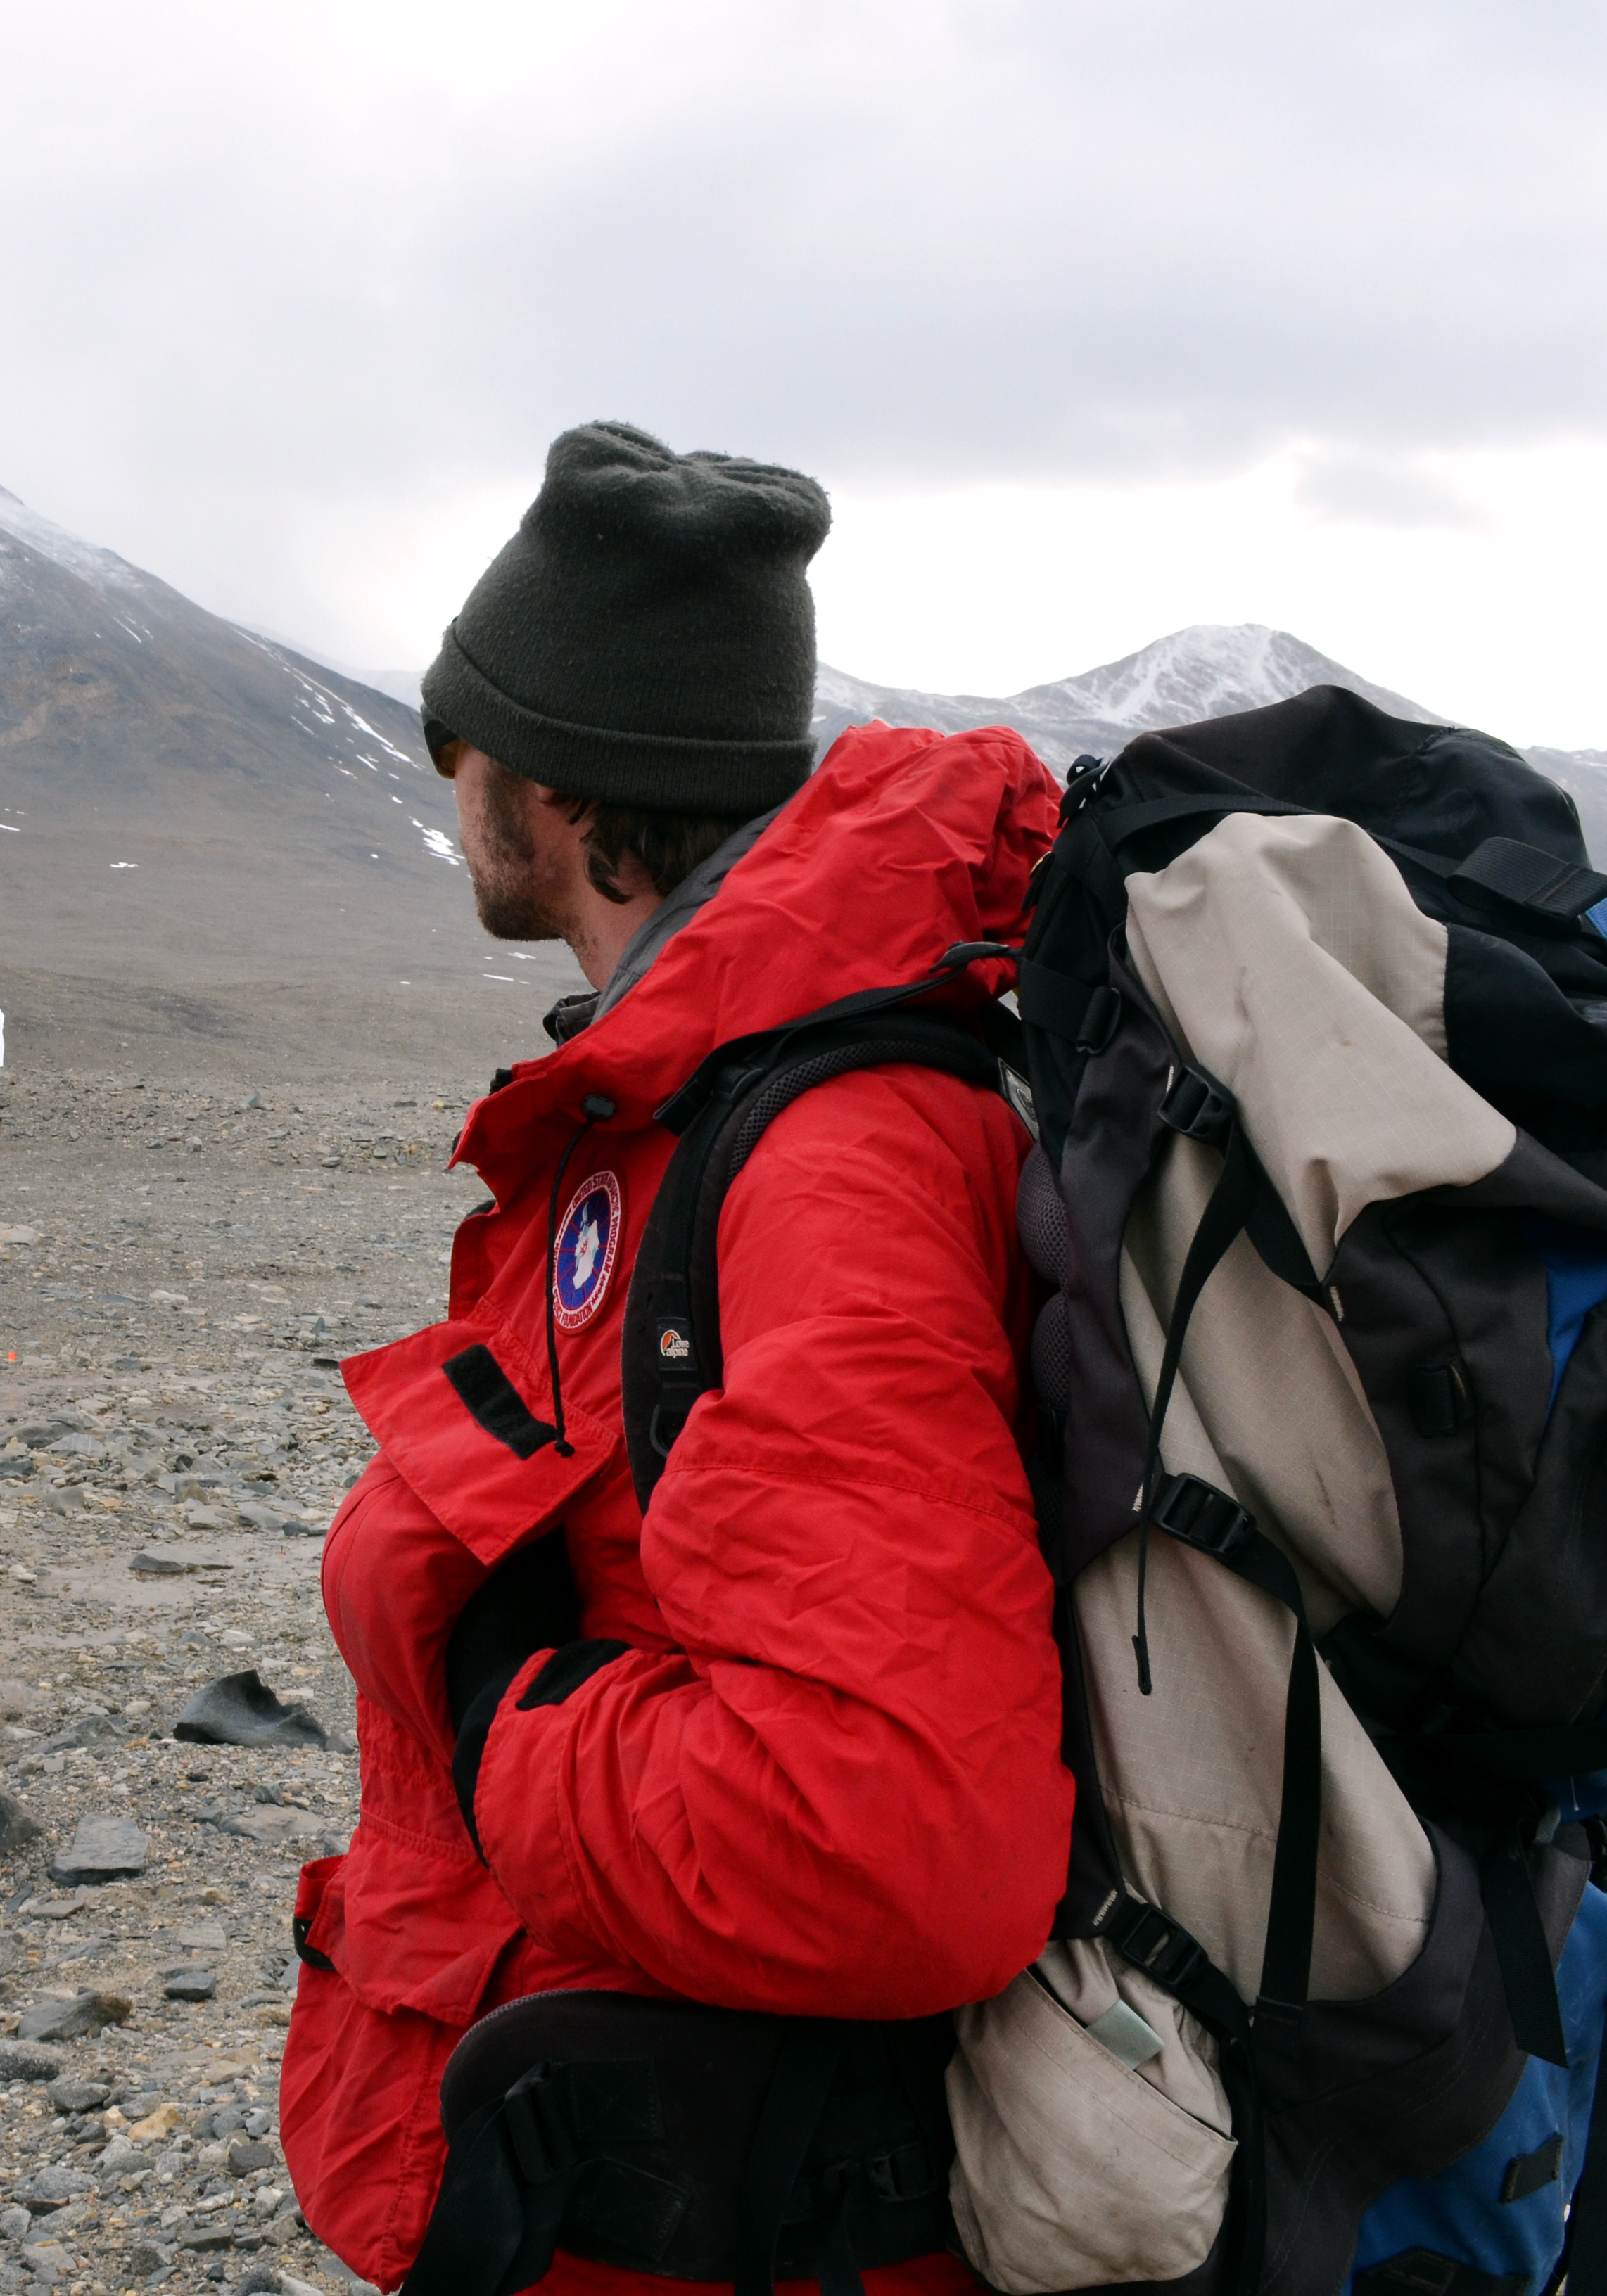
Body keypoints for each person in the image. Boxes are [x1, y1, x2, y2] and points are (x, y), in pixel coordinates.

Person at [279, 424, 1072, 2296]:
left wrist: (496, 1717)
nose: (451, 782)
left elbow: (894, 1845)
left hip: (752, 2215)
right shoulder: (703, 1098)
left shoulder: (823, 1154)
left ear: (550, 780)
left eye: (454, 739)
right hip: (654, 2165)